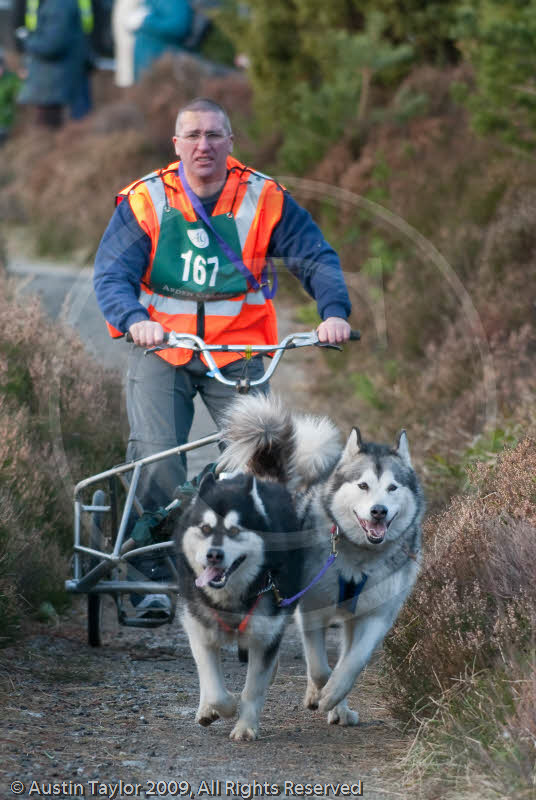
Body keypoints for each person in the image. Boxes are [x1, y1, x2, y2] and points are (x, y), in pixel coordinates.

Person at [94, 97, 352, 618]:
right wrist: (132, 319)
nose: (203, 145)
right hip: (162, 348)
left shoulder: (264, 197)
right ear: (176, 145)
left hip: (239, 351)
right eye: (192, 136)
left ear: (231, 142)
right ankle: (147, 579)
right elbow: (111, 276)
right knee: (157, 454)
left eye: (214, 135)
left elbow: (315, 256)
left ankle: (248, 574)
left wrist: (334, 312)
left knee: (258, 461)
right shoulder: (147, 200)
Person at [17, 0, 94, 128]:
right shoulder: (58, 4)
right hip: (56, 80)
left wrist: (27, 41)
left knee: (49, 129)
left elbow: (52, 45)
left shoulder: (58, 6)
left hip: (55, 81)